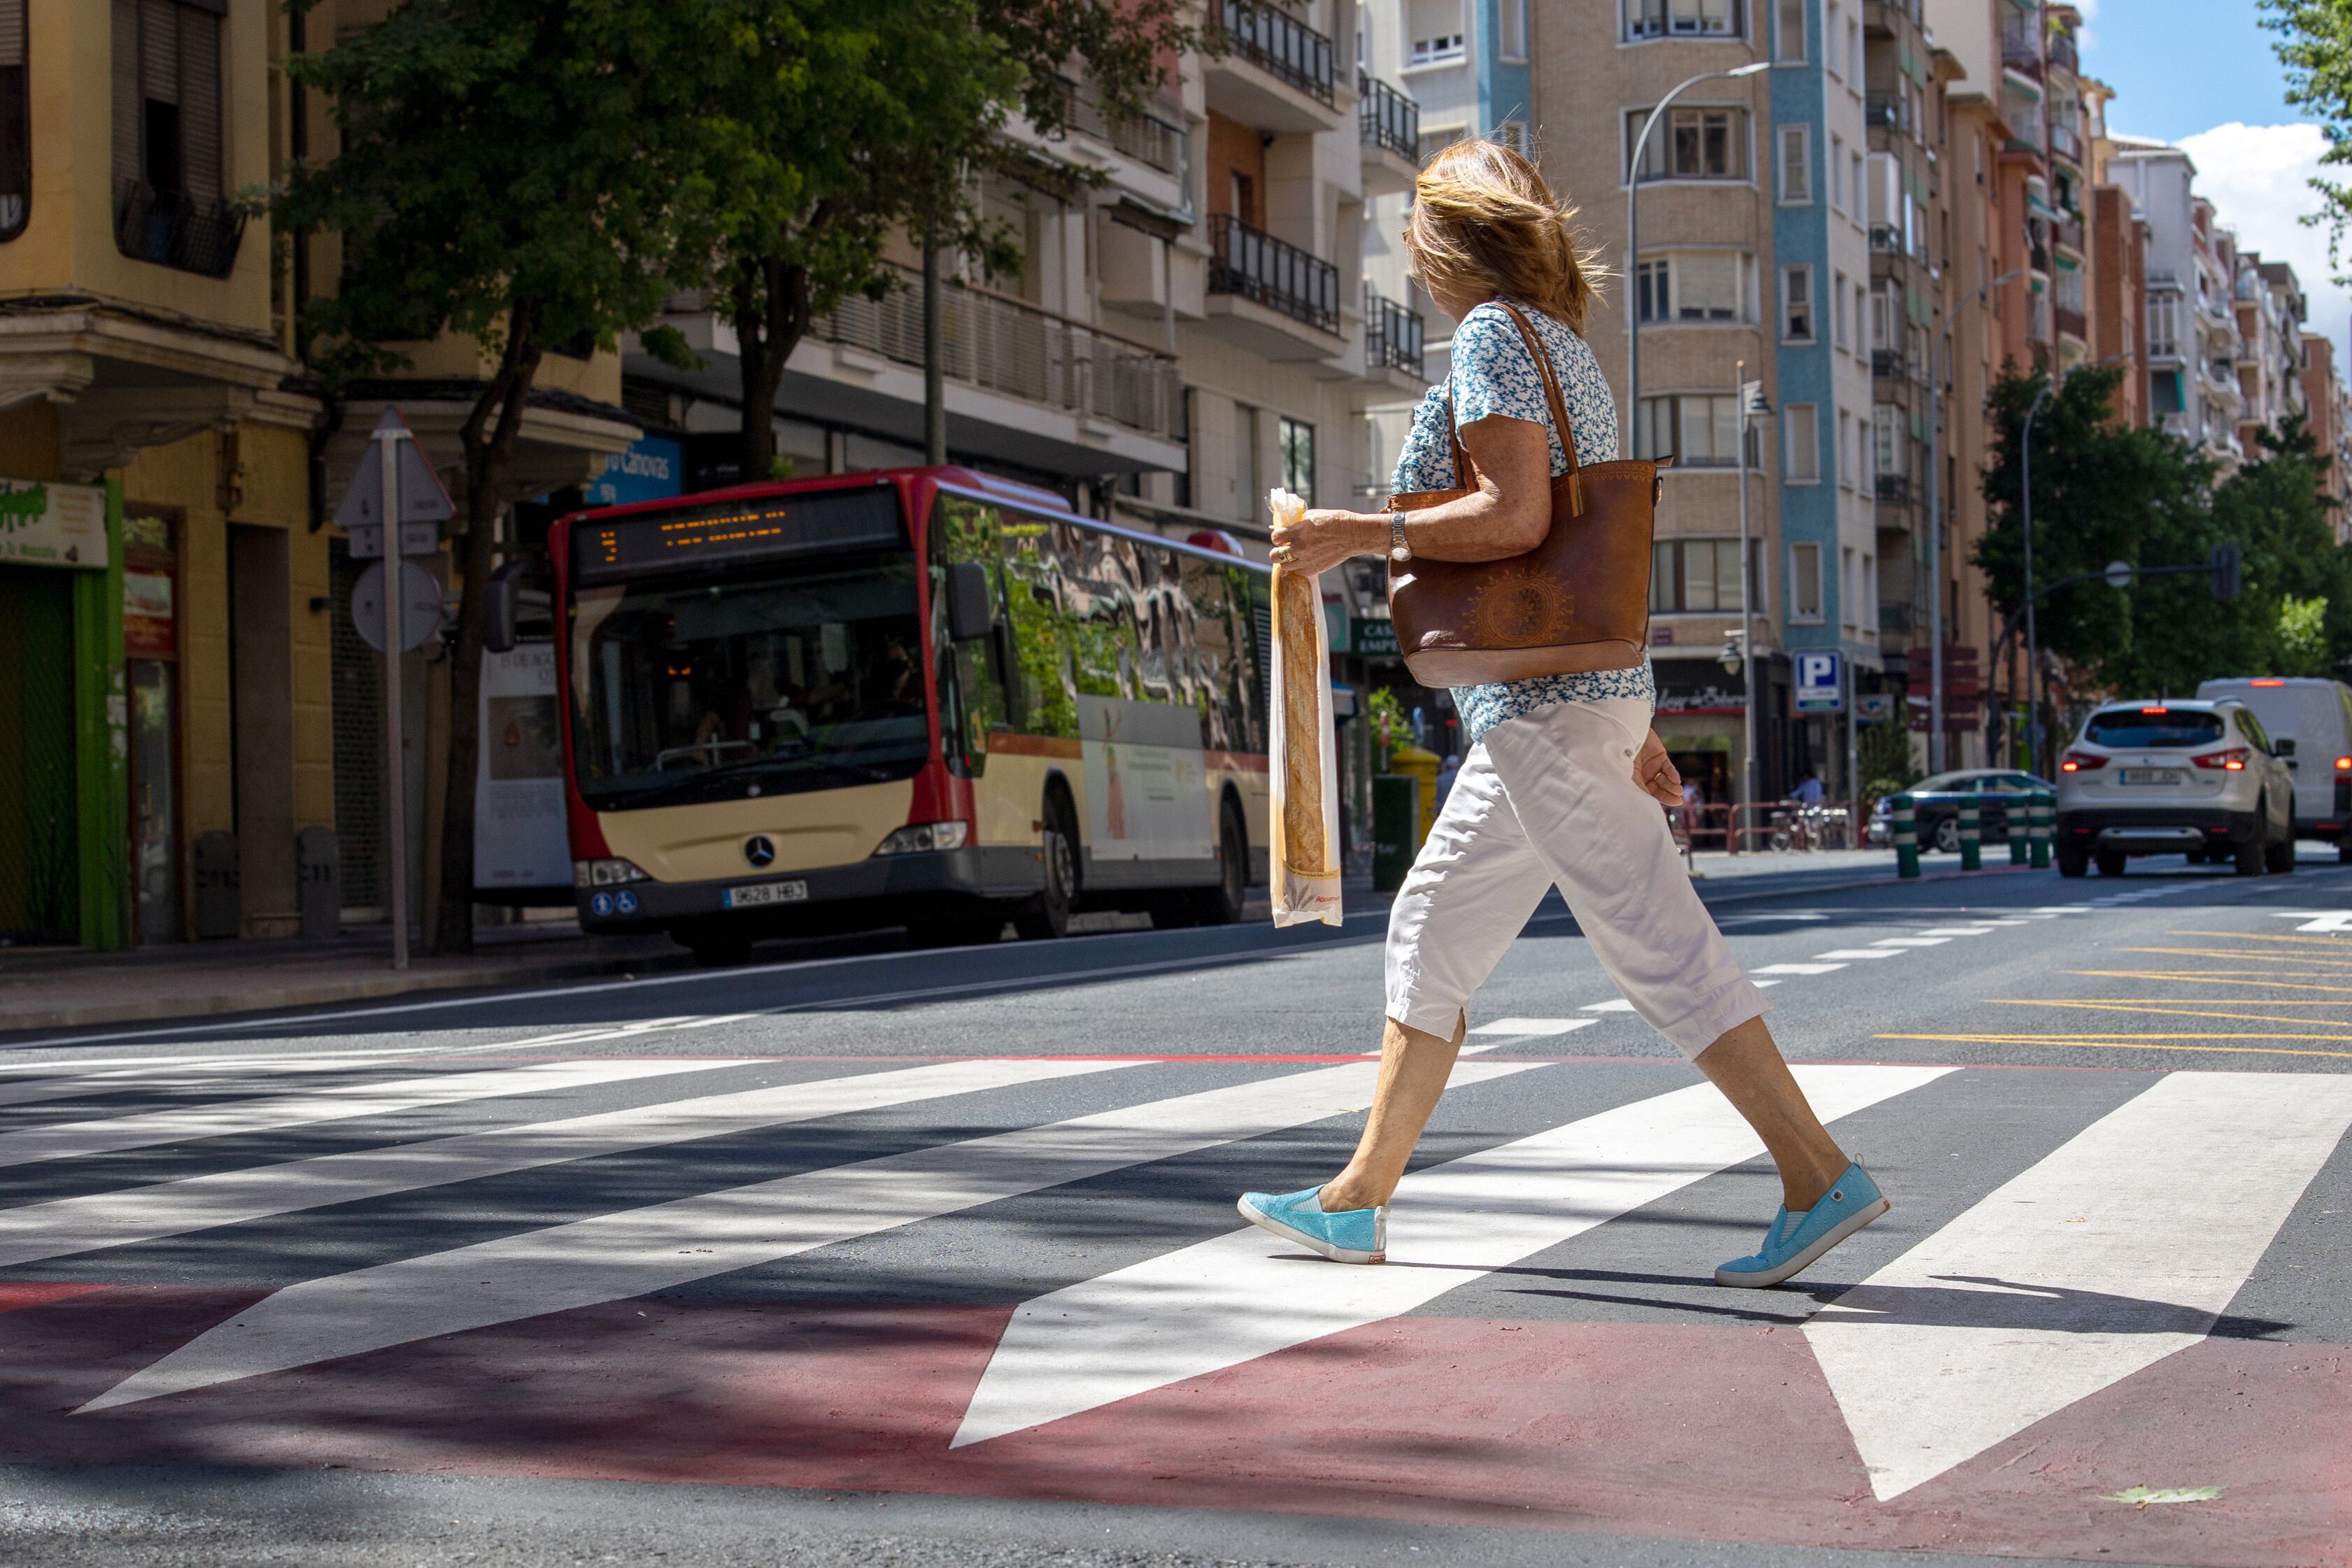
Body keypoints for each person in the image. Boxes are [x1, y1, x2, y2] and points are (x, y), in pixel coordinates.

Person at [1243, 139, 1885, 1289]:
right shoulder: (1563, 346)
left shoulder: (1493, 332)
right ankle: (1355, 1198)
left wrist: (1358, 531)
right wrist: (1628, 717)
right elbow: (1587, 554)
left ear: (1448, 239)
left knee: (1658, 944)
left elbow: (1518, 516)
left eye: (1413, 239)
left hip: (1543, 711)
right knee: (1431, 929)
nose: (1411, 261)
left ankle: (1814, 1170)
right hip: (1549, 705)